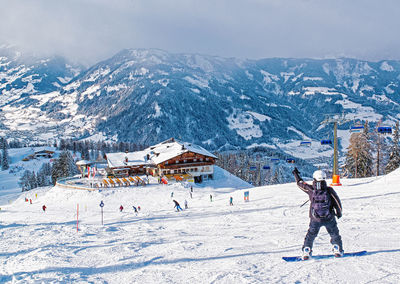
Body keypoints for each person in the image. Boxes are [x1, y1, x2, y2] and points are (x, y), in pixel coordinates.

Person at [292, 167, 343, 260]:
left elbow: (300, 184)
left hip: (315, 219)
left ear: (314, 178)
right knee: (334, 233)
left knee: (311, 234)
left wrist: (296, 174)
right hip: (329, 218)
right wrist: (339, 213)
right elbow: (337, 201)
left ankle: (306, 250)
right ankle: (337, 249)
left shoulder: (311, 189)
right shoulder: (329, 190)